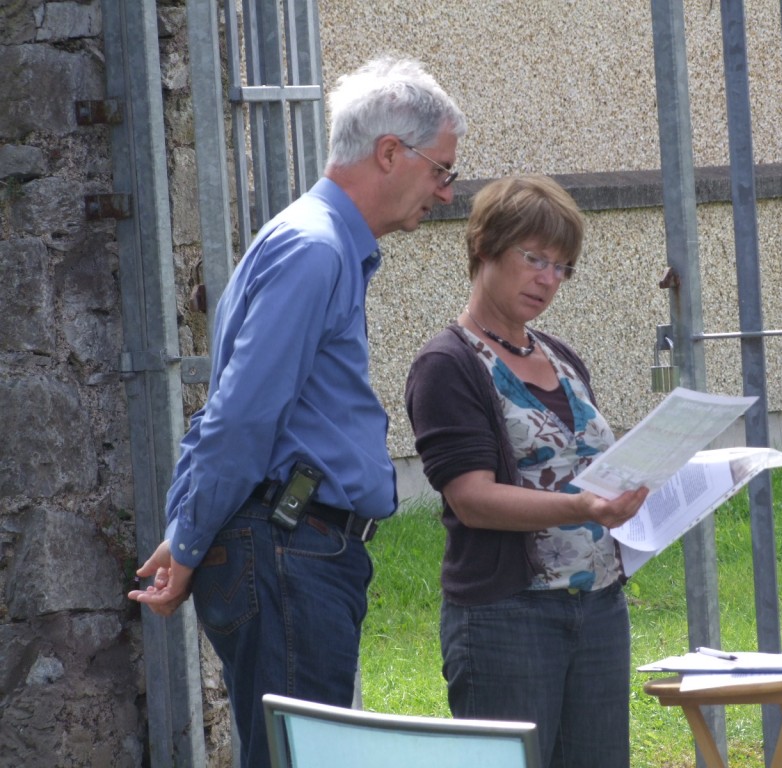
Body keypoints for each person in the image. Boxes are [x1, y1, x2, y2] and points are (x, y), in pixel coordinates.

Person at [128, 56, 466, 768]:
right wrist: (188, 543)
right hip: (289, 548)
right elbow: (240, 418)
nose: (444, 192)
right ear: (388, 153)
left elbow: (235, 407)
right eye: (442, 171)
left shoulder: (317, 242)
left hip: (293, 548)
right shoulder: (315, 250)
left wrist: (190, 525)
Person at [404, 175, 649, 768]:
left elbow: (586, 462)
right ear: (485, 247)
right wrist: (583, 506)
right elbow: (473, 499)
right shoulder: (448, 364)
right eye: (534, 258)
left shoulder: (561, 356)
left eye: (562, 267)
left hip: (597, 610)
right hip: (507, 618)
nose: (548, 279)